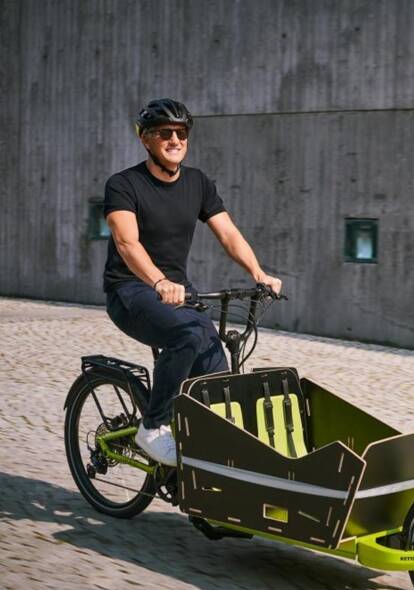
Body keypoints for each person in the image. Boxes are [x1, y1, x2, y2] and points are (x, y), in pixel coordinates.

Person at [103, 98, 282, 467]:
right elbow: (127, 243)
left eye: (181, 133)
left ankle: (204, 464)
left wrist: (258, 273)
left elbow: (228, 233)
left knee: (216, 377)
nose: (175, 140)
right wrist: (158, 282)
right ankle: (153, 427)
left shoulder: (198, 183)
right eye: (164, 133)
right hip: (131, 290)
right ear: (145, 139)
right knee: (185, 336)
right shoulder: (123, 185)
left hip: (178, 292)